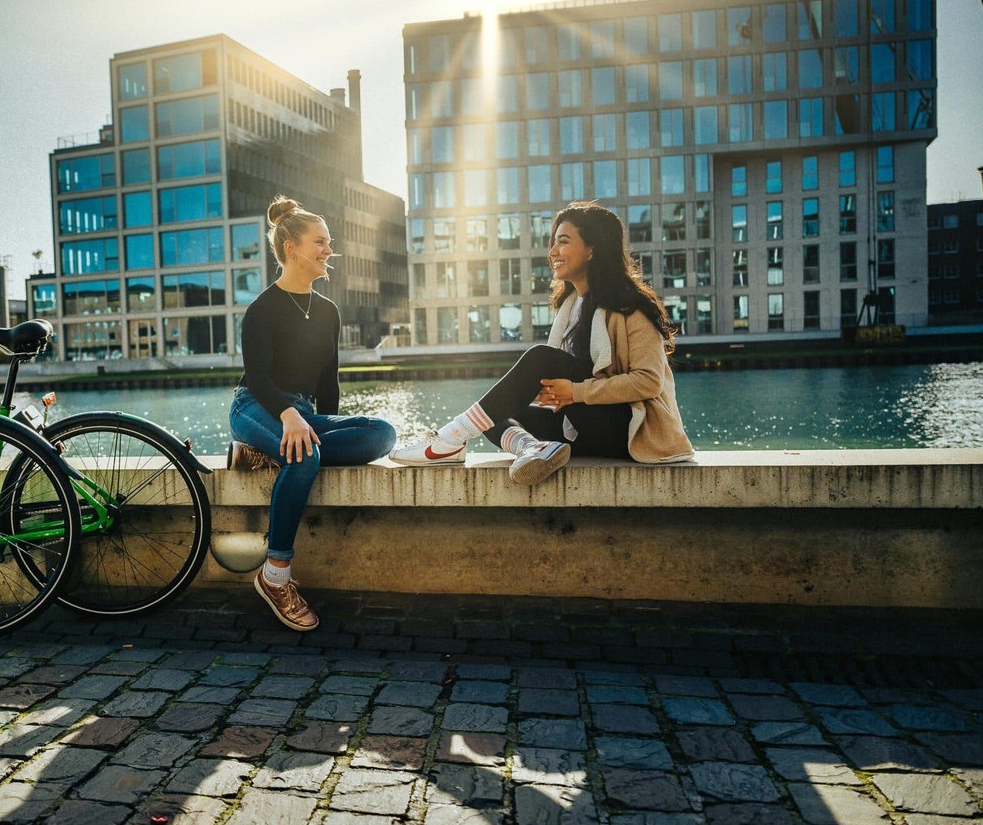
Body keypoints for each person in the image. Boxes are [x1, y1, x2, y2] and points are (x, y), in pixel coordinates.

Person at [389, 201, 693, 478]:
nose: (553, 252)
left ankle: (448, 439)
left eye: (563, 242)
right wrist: (558, 394)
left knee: (542, 358)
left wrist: (575, 391)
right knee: (494, 412)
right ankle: (532, 449)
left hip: (629, 432)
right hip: (584, 428)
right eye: (553, 243)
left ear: (592, 249)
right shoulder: (571, 306)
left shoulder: (629, 307)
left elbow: (649, 381)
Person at [229, 196, 397, 631]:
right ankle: (275, 576)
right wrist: (287, 415)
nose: (328, 250)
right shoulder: (261, 310)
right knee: (304, 455)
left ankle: (263, 454)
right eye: (320, 242)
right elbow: (259, 379)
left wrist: (321, 422)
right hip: (257, 405)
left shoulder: (328, 312)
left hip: (302, 414)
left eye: (329, 242)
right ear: (291, 248)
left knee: (382, 433)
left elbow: (329, 384)